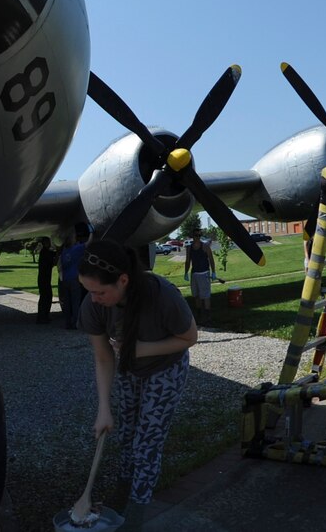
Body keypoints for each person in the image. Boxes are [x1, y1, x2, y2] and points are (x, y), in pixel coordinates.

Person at [71, 239, 197, 528]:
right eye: (88, 291)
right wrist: (104, 409)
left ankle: (136, 515)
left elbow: (189, 338)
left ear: (123, 281)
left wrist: (139, 349)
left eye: (100, 291)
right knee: (127, 436)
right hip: (131, 370)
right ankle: (122, 495)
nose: (93, 299)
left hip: (166, 368)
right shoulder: (94, 306)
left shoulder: (162, 296)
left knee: (147, 443)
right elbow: (104, 358)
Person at [59, 223, 91, 330]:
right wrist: (91, 232)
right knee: (76, 302)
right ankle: (75, 323)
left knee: (67, 303)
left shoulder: (65, 251)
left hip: (65, 280)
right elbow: (89, 243)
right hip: (74, 280)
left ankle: (67, 323)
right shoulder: (77, 249)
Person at [183, 229, 217, 325]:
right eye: (195, 235)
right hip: (194, 274)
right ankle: (199, 315)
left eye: (199, 235)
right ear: (192, 236)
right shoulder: (189, 248)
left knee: (205, 296)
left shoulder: (205, 246)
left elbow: (211, 259)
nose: (197, 237)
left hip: (204, 274)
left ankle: (208, 318)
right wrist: (186, 273)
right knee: (196, 295)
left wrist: (213, 272)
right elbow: (187, 261)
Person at [36, 237, 57, 324]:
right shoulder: (45, 252)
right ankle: (43, 316)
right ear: (45, 243)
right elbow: (53, 261)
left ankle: (43, 316)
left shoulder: (45, 252)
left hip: (43, 278)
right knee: (46, 297)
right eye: (48, 242)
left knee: (45, 297)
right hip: (44, 279)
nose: (49, 244)